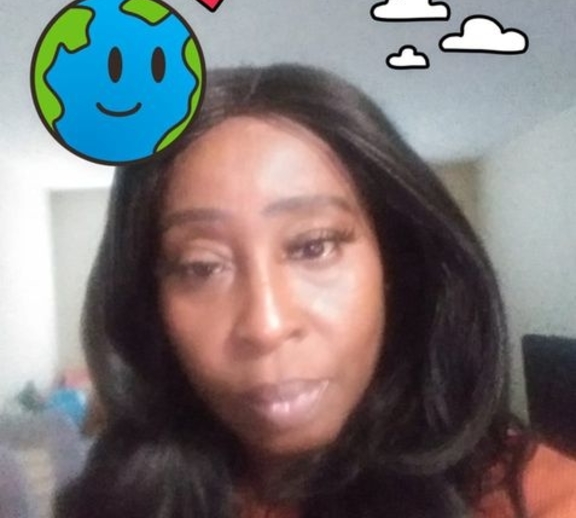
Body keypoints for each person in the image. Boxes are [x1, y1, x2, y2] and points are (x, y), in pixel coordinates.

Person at [56, 64, 576, 518]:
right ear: (150, 305)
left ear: (396, 264)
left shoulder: (536, 499)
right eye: (201, 267)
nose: (265, 325)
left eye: (314, 246)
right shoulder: (116, 496)